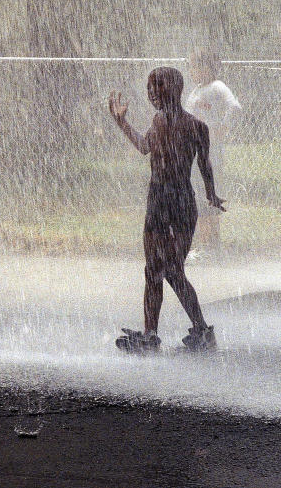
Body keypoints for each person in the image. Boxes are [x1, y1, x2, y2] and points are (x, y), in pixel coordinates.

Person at [108, 67, 225, 352]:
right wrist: (122, 123)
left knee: (173, 270)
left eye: (156, 87)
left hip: (182, 203)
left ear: (174, 89)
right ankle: (150, 335)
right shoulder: (157, 121)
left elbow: (204, 165)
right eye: (149, 88)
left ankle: (202, 331)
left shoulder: (197, 127)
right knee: (152, 271)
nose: (151, 94)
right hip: (157, 200)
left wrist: (211, 195)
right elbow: (145, 147)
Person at [185, 48, 241, 254]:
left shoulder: (218, 87)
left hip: (210, 153)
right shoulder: (196, 91)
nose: (190, 71)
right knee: (198, 196)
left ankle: (208, 247)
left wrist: (222, 128)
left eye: (193, 66)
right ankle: (208, 246)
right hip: (194, 153)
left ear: (205, 67)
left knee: (207, 195)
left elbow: (234, 107)